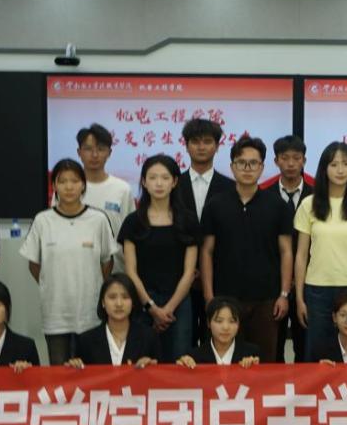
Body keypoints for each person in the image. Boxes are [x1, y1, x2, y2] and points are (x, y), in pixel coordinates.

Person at [200, 136, 293, 363]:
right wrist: (209, 296)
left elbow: (286, 252)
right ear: (232, 167)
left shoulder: (277, 205)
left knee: (265, 361)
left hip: (267, 300)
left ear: (262, 167)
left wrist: (283, 294)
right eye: (241, 163)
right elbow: (206, 252)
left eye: (253, 163)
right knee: (226, 361)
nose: (247, 168)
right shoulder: (215, 205)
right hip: (225, 299)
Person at [20, 159, 115, 365]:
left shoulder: (98, 219)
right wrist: (50, 283)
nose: (69, 187)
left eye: (74, 181)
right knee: (59, 374)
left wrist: (95, 285)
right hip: (55, 312)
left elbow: (107, 262)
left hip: (90, 312)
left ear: (83, 185)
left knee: (92, 372)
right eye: (62, 181)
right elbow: (34, 264)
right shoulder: (43, 220)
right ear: (54, 185)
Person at [294, 142, 347, 362]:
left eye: (346, 164)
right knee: (317, 351)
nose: (340, 170)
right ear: (324, 169)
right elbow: (301, 255)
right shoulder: (309, 204)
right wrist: (300, 298)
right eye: (333, 165)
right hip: (317, 290)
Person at [119, 154, 198, 362]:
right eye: (153, 178)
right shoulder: (133, 222)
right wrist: (151, 308)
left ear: (175, 181)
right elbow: (131, 271)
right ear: (144, 182)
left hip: (179, 302)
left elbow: (189, 271)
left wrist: (169, 308)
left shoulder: (188, 220)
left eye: (165, 177)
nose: (159, 183)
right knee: (142, 361)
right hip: (142, 302)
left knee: (179, 361)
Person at [172, 117, 235, 344]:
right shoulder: (173, 185)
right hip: (179, 279)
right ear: (186, 145)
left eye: (207, 142)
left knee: (216, 343)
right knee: (183, 344)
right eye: (195, 141)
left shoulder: (230, 188)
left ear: (217, 146)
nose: (201, 147)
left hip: (220, 278)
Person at [266, 134, 314, 362]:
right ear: (276, 161)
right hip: (274, 283)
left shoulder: (317, 195)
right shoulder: (264, 195)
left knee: (305, 347)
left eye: (296, 158)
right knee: (272, 346)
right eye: (285, 158)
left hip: (310, 281)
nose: (291, 164)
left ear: (304, 160)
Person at [73, 123, 135, 273]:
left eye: (101, 149)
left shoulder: (122, 189)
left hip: (116, 272)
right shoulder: (68, 189)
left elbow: (131, 235)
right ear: (79, 152)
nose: (95, 155)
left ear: (109, 152)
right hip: (77, 270)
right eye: (88, 149)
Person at [65, 273, 157, 368]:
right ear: (103, 302)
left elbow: (160, 373)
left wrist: (151, 366)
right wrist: (74, 367)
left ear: (133, 302)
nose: (119, 304)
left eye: (125, 297)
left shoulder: (148, 337)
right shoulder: (86, 340)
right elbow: (79, 374)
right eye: (112, 297)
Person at [176, 296, 260, 368]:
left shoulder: (251, 353)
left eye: (232, 321)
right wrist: (183, 367)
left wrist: (254, 367)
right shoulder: (194, 357)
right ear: (208, 323)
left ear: (239, 324)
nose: (225, 327)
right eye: (219, 321)